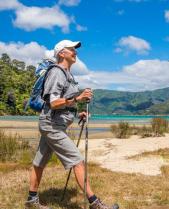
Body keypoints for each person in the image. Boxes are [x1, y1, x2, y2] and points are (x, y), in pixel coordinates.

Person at [25, 40, 119, 209]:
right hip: (51, 125)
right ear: (61, 53)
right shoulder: (57, 73)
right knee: (77, 161)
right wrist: (78, 98)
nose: (75, 52)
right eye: (71, 49)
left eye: (75, 50)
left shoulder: (67, 74)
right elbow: (53, 103)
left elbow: (63, 105)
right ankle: (95, 203)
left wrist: (77, 112)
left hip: (54, 123)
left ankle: (31, 200)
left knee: (39, 162)